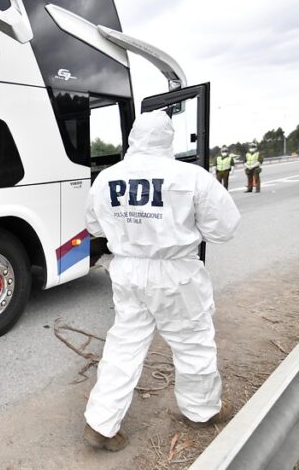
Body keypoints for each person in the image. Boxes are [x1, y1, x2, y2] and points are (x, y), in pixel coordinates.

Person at [82, 111, 240, 451]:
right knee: (192, 342)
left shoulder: (107, 178)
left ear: (132, 138)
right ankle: (201, 410)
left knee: (124, 343)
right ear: (169, 139)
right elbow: (224, 228)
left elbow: (94, 226)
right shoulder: (189, 176)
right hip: (174, 273)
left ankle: (100, 423)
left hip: (127, 271)